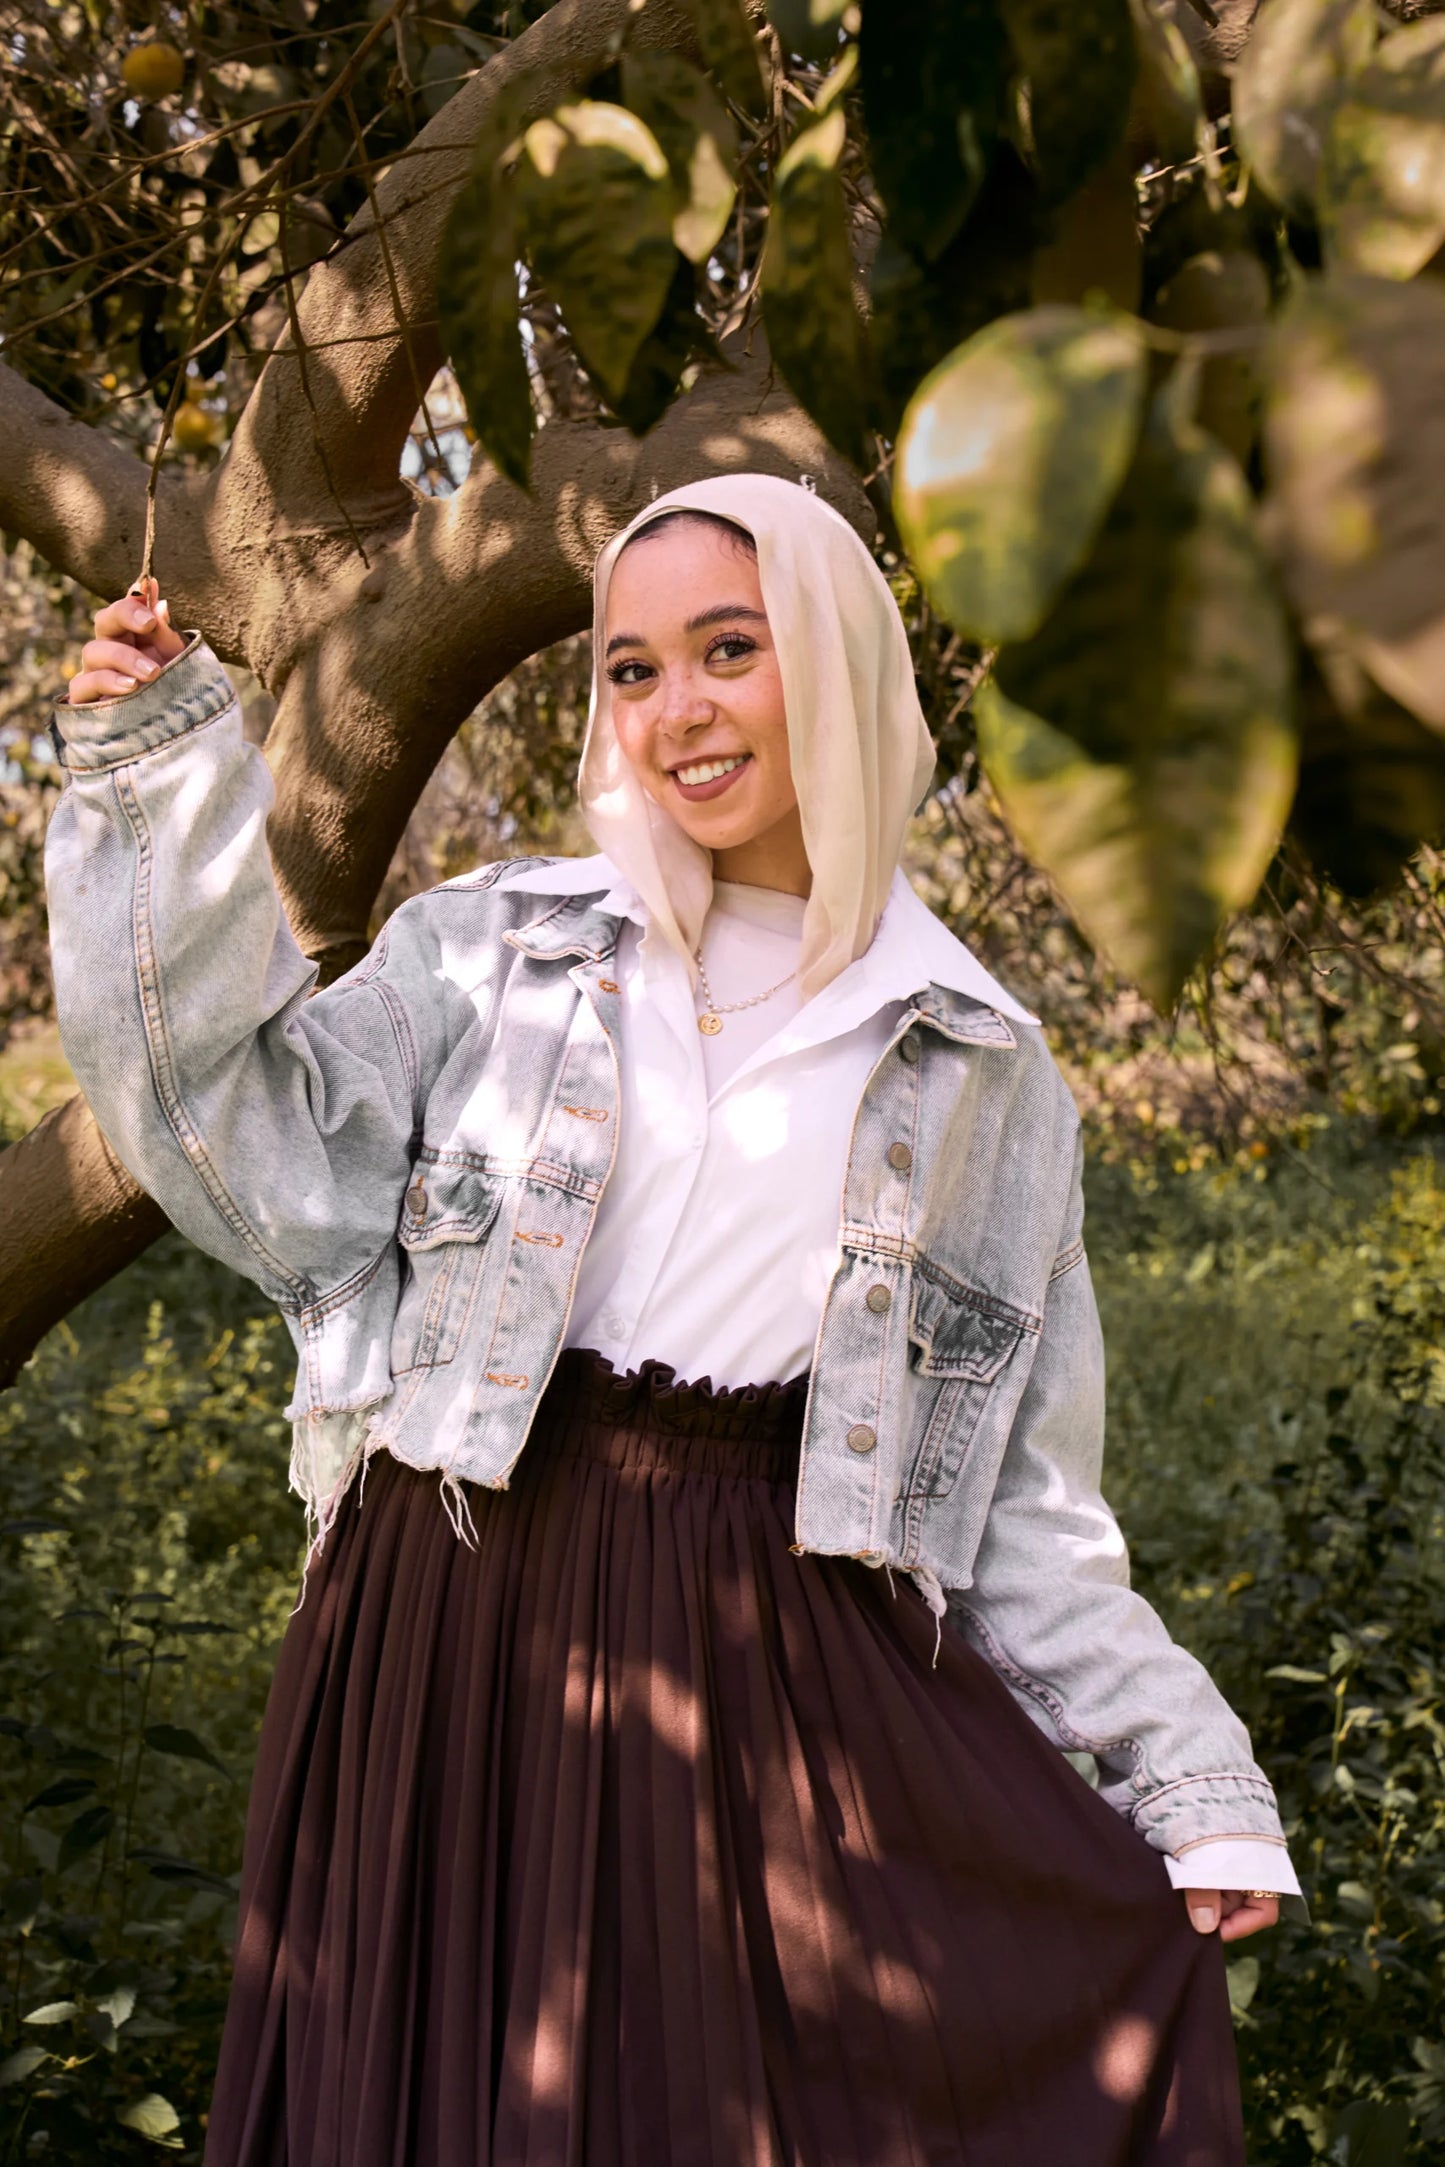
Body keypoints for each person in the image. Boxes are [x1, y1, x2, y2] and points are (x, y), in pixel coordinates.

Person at [49, 473, 1301, 2166]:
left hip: (771, 1670)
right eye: (630, 670)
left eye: (731, 648)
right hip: (449, 1627)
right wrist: (156, 788)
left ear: (842, 665)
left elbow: (1020, 1511)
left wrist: (1190, 1778)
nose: (675, 712)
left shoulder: (973, 1058)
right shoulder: (493, 955)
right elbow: (230, 1127)